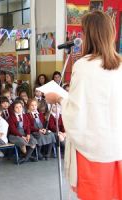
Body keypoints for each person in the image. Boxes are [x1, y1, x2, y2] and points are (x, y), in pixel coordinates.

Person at [45, 11, 122, 200]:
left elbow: (76, 111)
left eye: (83, 33)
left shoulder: (83, 66)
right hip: (116, 146)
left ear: (90, 35)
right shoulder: (120, 64)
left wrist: (59, 99)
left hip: (92, 149)